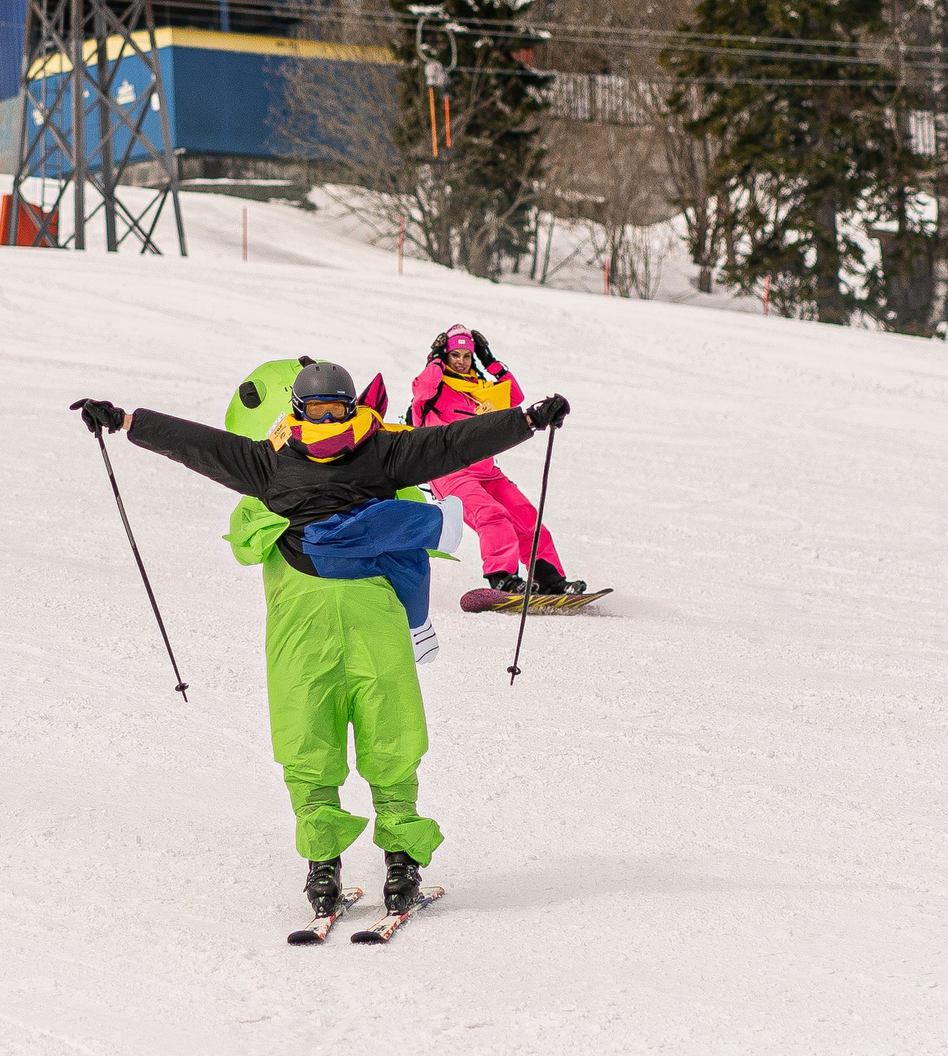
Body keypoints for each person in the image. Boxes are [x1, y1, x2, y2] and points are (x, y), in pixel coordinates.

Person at [74, 363, 570, 921]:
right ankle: (323, 862)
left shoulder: (383, 452)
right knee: (306, 740)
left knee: (392, 734)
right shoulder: (268, 462)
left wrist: (526, 420)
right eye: (318, 411)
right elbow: (198, 444)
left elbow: (453, 440)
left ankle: (402, 856)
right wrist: (124, 421)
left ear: (354, 407)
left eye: (338, 409)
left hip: (372, 618)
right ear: (298, 411)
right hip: (300, 626)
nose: (329, 422)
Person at [409, 323, 584, 597]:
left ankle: (551, 580)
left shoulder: (481, 388)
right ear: (446, 357)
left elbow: (514, 396)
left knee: (527, 518)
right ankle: (503, 577)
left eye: (468, 356)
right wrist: (434, 358)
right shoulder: (435, 391)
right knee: (492, 515)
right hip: (450, 472)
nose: (462, 361)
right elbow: (422, 387)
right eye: (455, 355)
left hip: (487, 471)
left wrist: (490, 361)